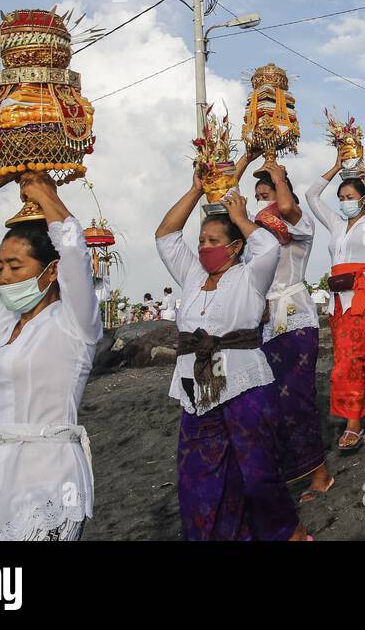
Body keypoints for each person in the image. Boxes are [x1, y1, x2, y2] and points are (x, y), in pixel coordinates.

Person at [0, 171, 100, 540]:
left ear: (51, 270)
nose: (5, 277)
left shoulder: (74, 323)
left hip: (50, 477)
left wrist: (45, 195)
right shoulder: (2, 319)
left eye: (16, 266)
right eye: (0, 267)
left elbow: (74, 252)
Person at [155, 175, 305, 541]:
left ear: (236, 247)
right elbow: (165, 235)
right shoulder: (192, 275)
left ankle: (289, 532)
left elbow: (268, 247)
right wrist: (195, 190)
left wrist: (239, 216)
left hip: (244, 385)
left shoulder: (250, 276)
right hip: (196, 390)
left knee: (256, 473)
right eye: (201, 241)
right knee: (198, 479)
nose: (205, 248)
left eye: (214, 241)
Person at [252, 160, 333, 502]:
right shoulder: (257, 236)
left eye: (267, 193)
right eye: (258, 195)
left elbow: (285, 208)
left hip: (296, 316)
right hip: (267, 324)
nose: (261, 201)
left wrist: (277, 174)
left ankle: (319, 473)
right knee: (270, 401)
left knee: (296, 397)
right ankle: (289, 471)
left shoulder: (300, 223)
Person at [304, 149, 365, 450]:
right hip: (339, 302)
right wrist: (334, 168)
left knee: (349, 361)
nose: (344, 202)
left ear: (363, 199)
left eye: (350, 197)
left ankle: (353, 423)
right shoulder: (335, 223)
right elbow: (311, 195)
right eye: (341, 198)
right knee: (353, 360)